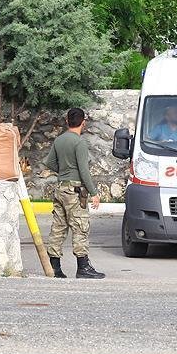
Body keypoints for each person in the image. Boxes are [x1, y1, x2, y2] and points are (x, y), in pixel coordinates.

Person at [43, 108, 105, 279]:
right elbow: (84, 171)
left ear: (67, 121)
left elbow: (50, 162)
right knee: (80, 226)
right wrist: (93, 192)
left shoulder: (59, 140)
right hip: (75, 190)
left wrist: (63, 170)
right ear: (83, 122)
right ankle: (83, 267)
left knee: (58, 227)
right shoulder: (79, 142)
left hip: (60, 187)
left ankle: (55, 267)